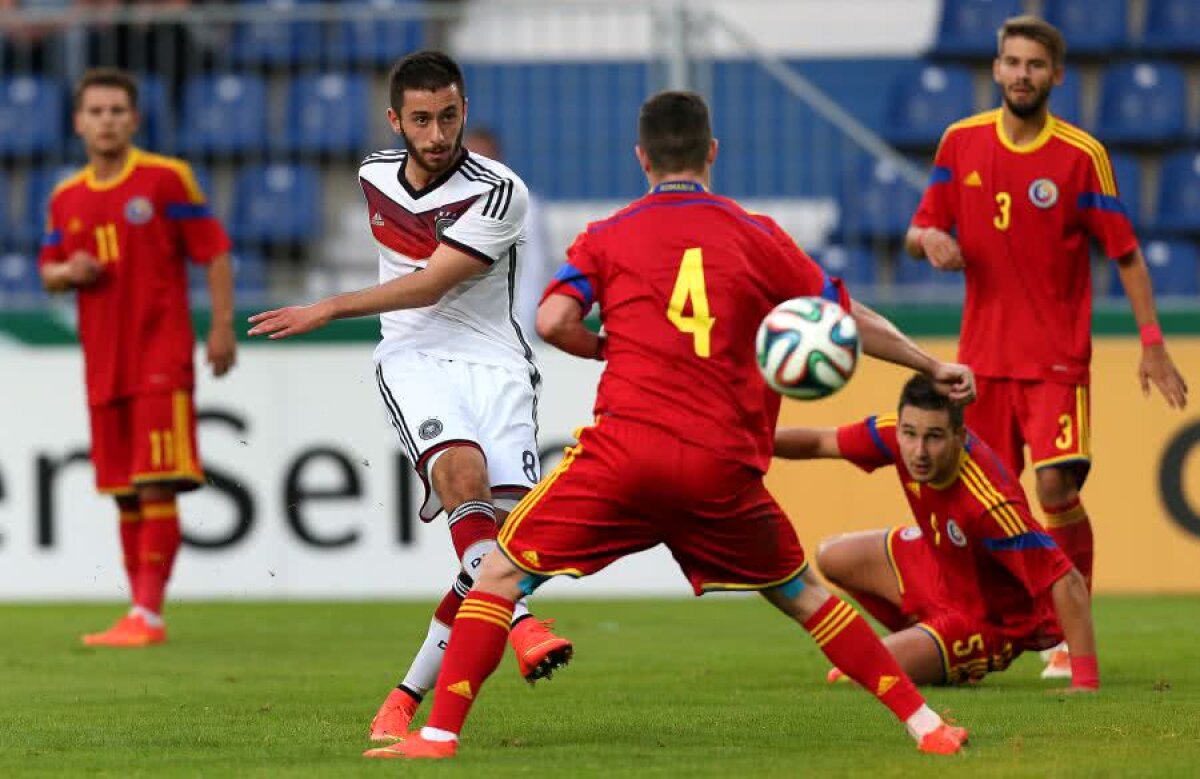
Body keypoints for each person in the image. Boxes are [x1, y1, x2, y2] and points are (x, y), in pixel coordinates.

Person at [363, 90, 977, 761]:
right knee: (803, 595)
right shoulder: (760, 236)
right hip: (723, 466)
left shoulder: (608, 233)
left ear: (641, 157)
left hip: (625, 456)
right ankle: (928, 727)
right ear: (711, 153)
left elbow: (551, 321)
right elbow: (848, 316)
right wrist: (927, 361)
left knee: (501, 574)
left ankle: (439, 734)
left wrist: (609, 347)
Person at [246, 51, 571, 741]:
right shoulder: (371, 174)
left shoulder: (501, 191)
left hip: (498, 365)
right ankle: (523, 627)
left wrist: (327, 306)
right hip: (415, 359)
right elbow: (416, 308)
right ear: (395, 119)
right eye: (420, 119)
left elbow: (431, 282)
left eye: (448, 116)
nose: (436, 133)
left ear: (464, 112)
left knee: (498, 555)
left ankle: (404, 694)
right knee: (464, 481)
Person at [904, 15, 1188, 677]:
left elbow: (1127, 255)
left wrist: (1151, 344)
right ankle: (982, 630)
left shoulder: (1081, 155)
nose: (1022, 75)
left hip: (1056, 361)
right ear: (996, 69)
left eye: (1035, 64)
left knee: (1055, 485)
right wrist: (931, 242)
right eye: (1012, 62)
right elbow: (920, 225)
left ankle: (1067, 632)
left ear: (1056, 75)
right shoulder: (959, 142)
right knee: (982, 506)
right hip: (979, 365)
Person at [38, 67, 236, 646]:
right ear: (79, 122)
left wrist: (221, 327)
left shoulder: (165, 180)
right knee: (124, 489)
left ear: (135, 119)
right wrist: (66, 273)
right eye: (96, 112)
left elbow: (214, 252)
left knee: (155, 482)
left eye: (117, 111)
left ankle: (148, 615)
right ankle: (137, 612)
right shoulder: (65, 196)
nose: (106, 121)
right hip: (103, 361)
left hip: (160, 353)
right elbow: (47, 269)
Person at [775, 374, 1099, 690]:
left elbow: (1065, 578)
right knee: (831, 555)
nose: (918, 451)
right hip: (938, 566)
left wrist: (1084, 681)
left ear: (959, 436)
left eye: (934, 437)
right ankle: (926, 639)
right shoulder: (895, 433)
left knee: (863, 668)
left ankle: (941, 649)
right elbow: (821, 440)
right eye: (910, 433)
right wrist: (751, 442)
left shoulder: (990, 505)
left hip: (987, 620)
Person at [464, 127, 556, 339]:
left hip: (513, 331)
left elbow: (535, 270)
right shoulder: (448, 209)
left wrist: (524, 330)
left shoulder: (526, 208)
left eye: (485, 159)